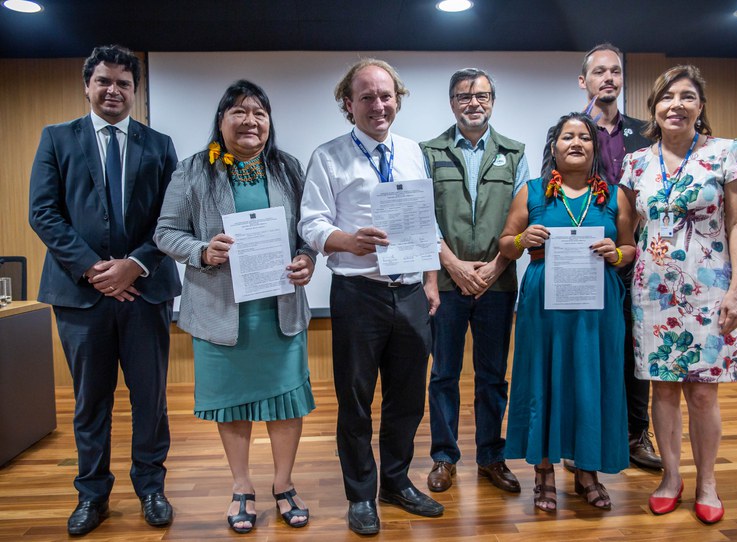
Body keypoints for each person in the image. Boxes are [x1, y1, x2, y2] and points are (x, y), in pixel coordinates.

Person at [28, 45, 180, 535]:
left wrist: (134, 266)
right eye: (104, 82)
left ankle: (151, 489)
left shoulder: (158, 144)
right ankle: (92, 495)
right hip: (81, 295)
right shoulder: (57, 138)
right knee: (90, 400)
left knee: (150, 398)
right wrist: (97, 270)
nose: (114, 90)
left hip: (145, 292)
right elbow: (43, 213)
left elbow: (172, 219)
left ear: (135, 91)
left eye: (124, 83)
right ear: (87, 85)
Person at [154, 80, 316, 533]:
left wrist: (307, 257)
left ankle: (283, 485)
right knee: (233, 404)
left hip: (279, 310)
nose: (250, 121)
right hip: (220, 311)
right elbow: (165, 233)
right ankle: (241, 486)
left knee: (286, 403)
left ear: (269, 122)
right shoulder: (192, 172)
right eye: (239, 112)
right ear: (221, 121)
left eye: (259, 113)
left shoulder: (288, 168)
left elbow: (310, 229)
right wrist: (203, 251)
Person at [299, 58, 443, 535]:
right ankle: (361, 495)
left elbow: (426, 221)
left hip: (410, 295)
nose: (378, 105)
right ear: (349, 104)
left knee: (408, 400)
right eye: (367, 97)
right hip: (358, 294)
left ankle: (396, 482)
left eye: (386, 96)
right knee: (356, 401)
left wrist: (430, 282)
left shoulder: (412, 152)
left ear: (396, 100)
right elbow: (311, 223)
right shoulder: (328, 156)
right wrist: (346, 240)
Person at [619, 65, 737, 524]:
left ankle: (708, 482)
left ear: (701, 106)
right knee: (662, 390)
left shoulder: (726, 152)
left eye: (686, 97)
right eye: (666, 97)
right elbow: (627, 231)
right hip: (653, 291)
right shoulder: (636, 162)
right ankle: (671, 478)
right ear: (653, 108)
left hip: (710, 291)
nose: (675, 104)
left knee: (703, 394)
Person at [499, 112, 636, 512]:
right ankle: (543, 471)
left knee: (591, 383)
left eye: (584, 138)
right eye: (566, 137)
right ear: (553, 147)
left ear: (595, 148)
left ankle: (587, 471)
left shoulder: (615, 195)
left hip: (597, 308)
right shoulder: (533, 192)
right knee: (544, 381)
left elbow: (630, 247)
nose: (576, 143)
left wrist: (617, 253)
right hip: (545, 307)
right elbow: (506, 243)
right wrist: (523, 238)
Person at [542, 43, 661, 471]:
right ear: (584, 81)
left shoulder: (645, 132)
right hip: (579, 263)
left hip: (635, 256)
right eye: (599, 72)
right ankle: (581, 437)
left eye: (615, 71)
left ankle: (634, 434)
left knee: (633, 350)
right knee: (584, 353)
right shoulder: (571, 131)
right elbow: (547, 191)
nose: (608, 78)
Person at [420, 68, 529, 494]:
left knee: (492, 375)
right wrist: (453, 265)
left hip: (497, 284)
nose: (473, 103)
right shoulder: (429, 152)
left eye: (482, 95)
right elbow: (421, 216)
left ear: (492, 101)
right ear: (452, 102)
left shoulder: (514, 153)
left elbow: (522, 218)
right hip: (446, 284)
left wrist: (494, 268)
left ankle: (491, 457)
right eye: (464, 96)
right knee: (443, 374)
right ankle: (444, 458)